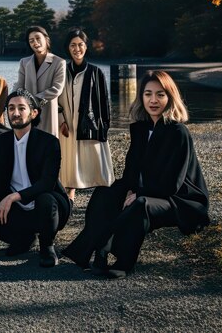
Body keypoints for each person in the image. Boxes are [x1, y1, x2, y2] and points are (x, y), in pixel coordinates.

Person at [63, 70, 210, 279]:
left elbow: (172, 185)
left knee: (141, 204)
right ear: (141, 97)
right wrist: (129, 189)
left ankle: (123, 261)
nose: (153, 100)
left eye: (160, 94)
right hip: (153, 191)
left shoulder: (178, 133)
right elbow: (131, 171)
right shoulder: (141, 129)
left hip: (183, 201)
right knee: (107, 192)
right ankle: (87, 249)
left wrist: (138, 192)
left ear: (170, 97)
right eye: (148, 94)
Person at [0, 89, 71, 267]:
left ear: (34, 113)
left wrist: (12, 197)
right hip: (16, 210)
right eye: (11, 108)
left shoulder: (49, 142)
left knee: (46, 200)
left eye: (21, 108)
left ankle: (47, 245)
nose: (15, 113)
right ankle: (21, 239)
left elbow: (47, 183)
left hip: (47, 208)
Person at [58, 28, 114, 201]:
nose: (77, 49)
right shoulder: (61, 71)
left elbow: (104, 102)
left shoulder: (95, 72)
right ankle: (70, 192)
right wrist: (61, 120)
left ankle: (104, 196)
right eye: (73, 45)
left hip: (89, 123)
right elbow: (55, 100)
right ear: (68, 48)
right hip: (66, 124)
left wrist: (103, 127)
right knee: (67, 161)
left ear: (86, 46)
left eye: (80, 45)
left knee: (98, 165)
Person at [15, 26, 66, 137]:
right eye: (31, 40)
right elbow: (19, 86)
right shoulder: (24, 62)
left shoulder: (59, 62)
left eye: (38, 38)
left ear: (46, 39)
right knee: (29, 147)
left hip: (48, 112)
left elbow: (57, 88)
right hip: (28, 113)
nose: (35, 42)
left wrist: (34, 101)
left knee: (48, 147)